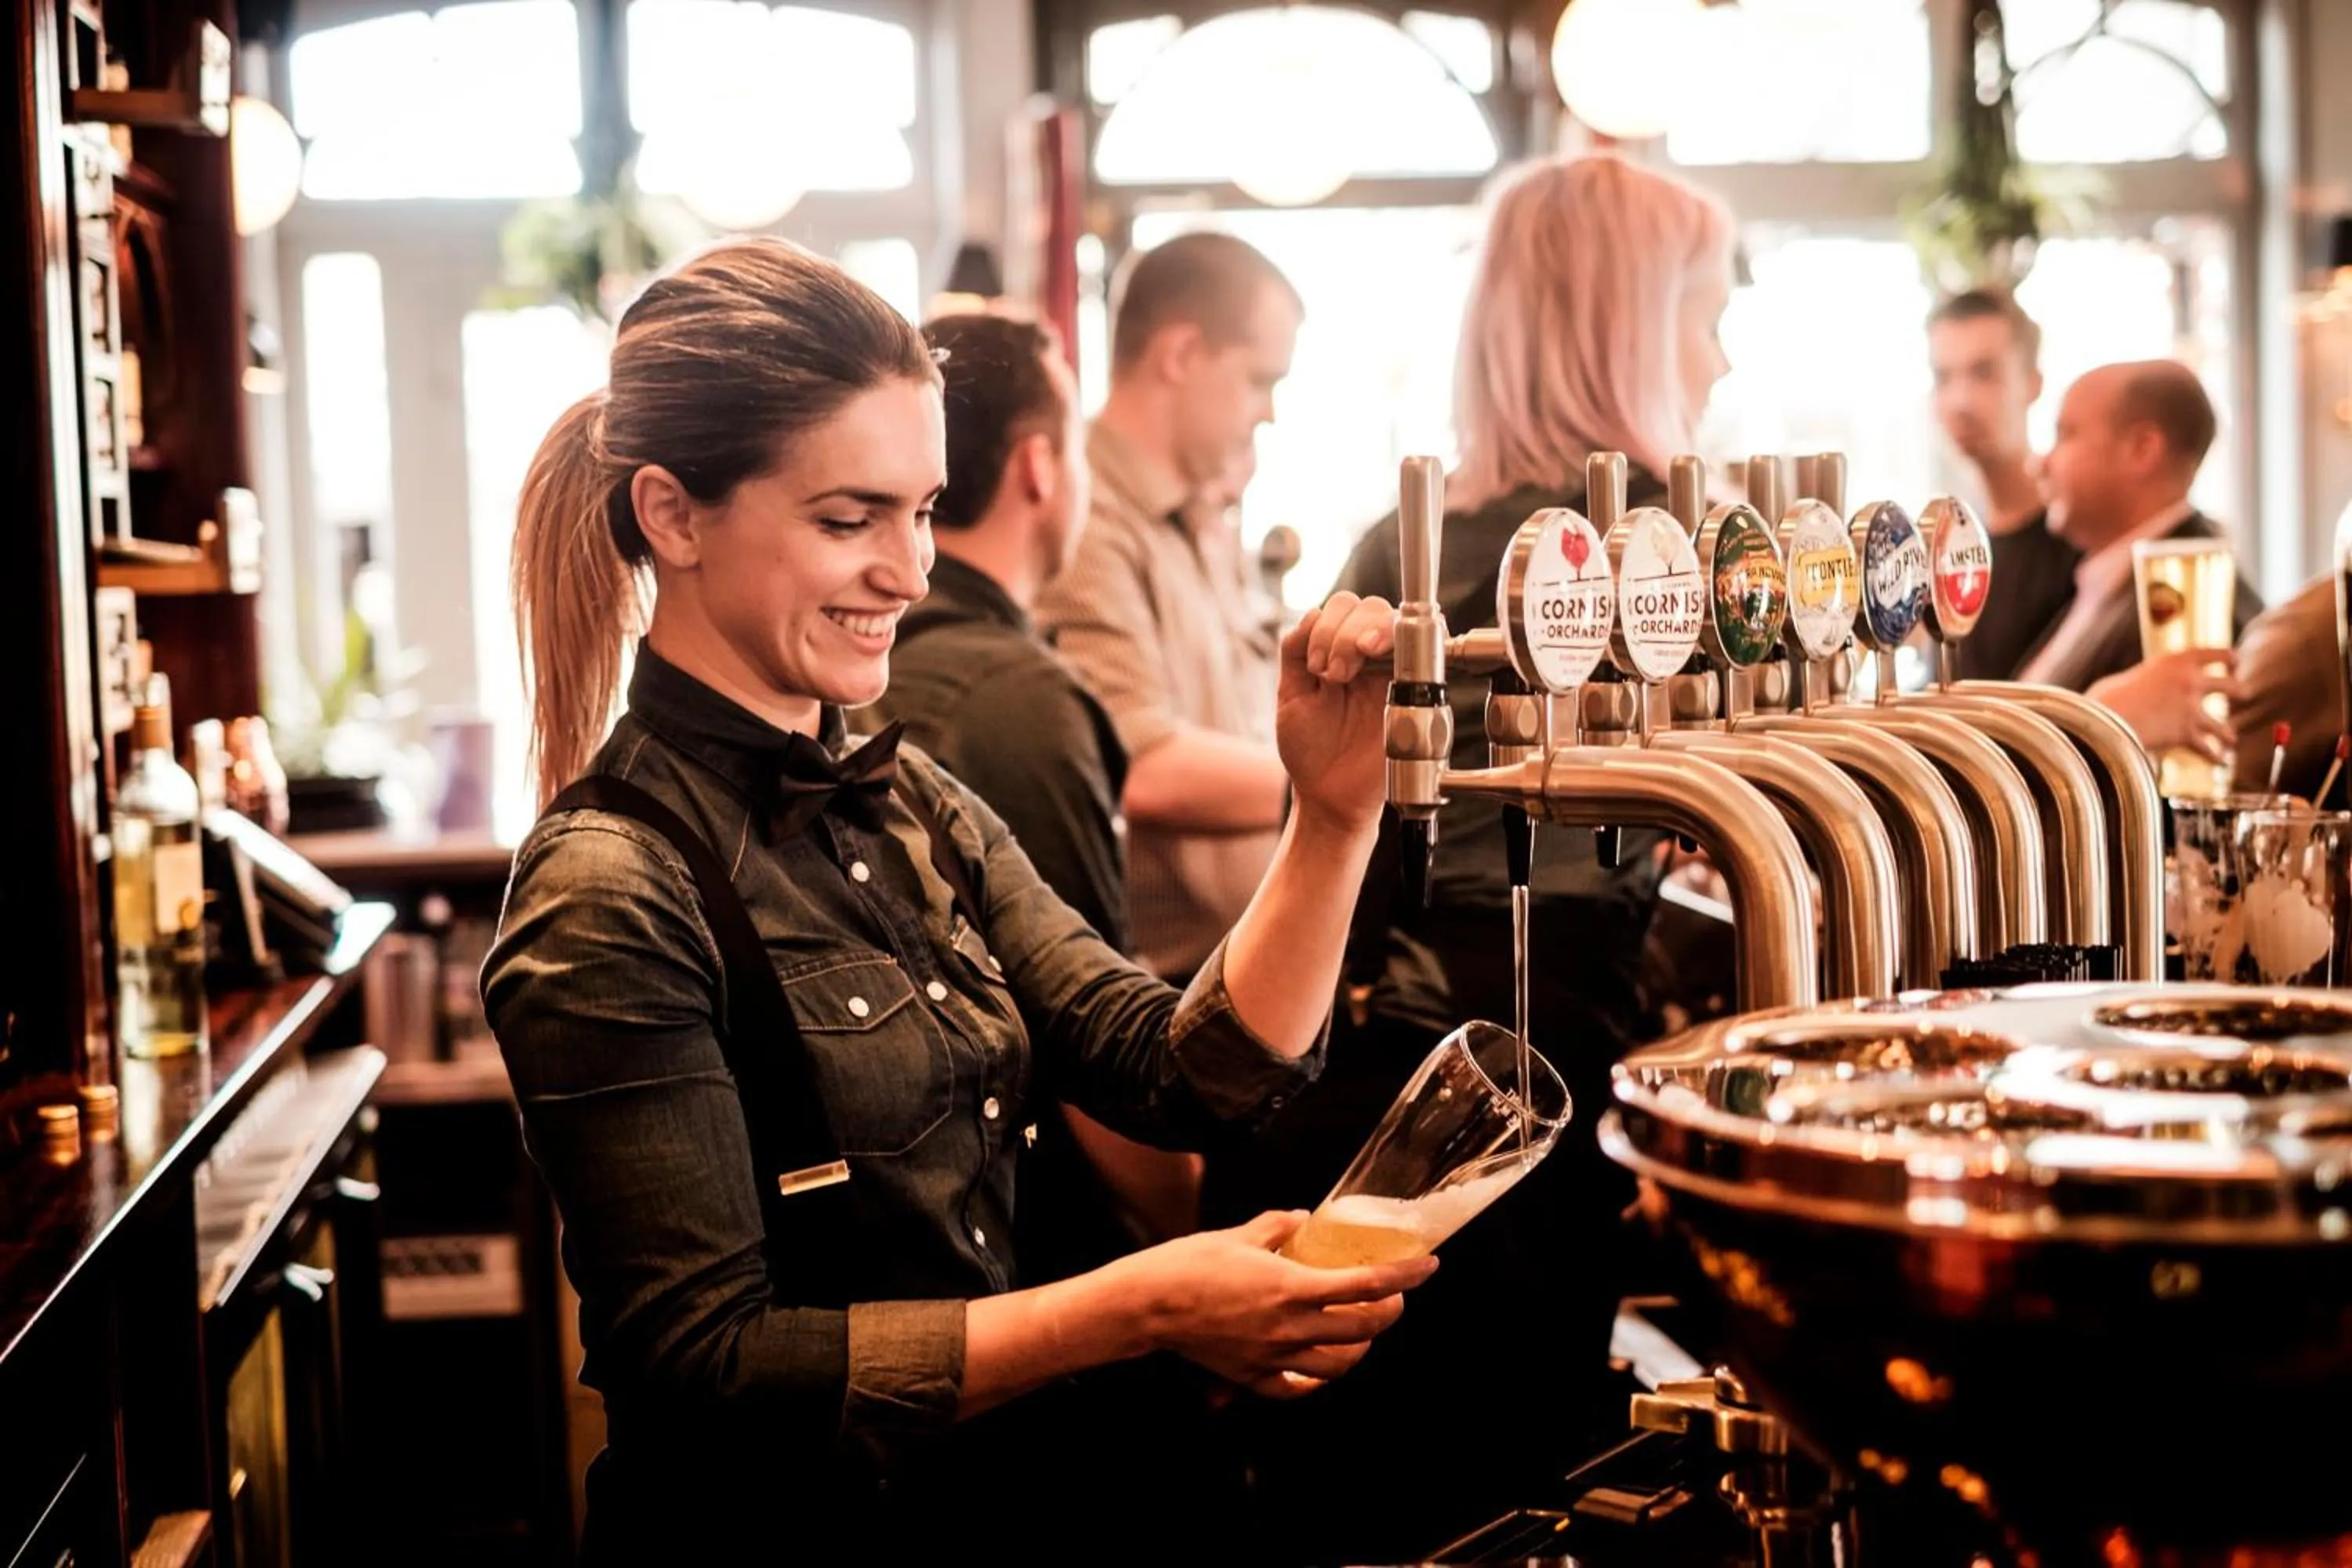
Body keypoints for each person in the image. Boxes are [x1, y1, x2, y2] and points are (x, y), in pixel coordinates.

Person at [478, 238, 1433, 1562]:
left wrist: (1331, 818)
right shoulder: (607, 892)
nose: (912, 570)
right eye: (848, 519)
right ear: (673, 516)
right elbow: (712, 1372)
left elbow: (1181, 1071)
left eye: (922, 510)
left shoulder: (910, 797)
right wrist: (1136, 1310)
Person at [1203, 152, 1736, 1561]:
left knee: (1391, 1498)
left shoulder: (1406, 537)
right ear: (1630, 325)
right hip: (1525, 1087)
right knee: (1514, 1489)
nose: (1722, 358)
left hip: (1368, 1090)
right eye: (1706, 315)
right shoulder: (1650, 557)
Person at [872, 310, 1203, 1268]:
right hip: (1029, 1247)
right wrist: (1205, 1249)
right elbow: (1102, 1071)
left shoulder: (874, 665)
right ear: (1040, 466)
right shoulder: (1019, 701)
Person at [1036, 231, 1298, 983]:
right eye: (1259, 380)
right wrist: (1344, 787)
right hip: (1171, 990)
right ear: (1180, 354)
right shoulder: (1088, 519)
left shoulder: (1196, 516)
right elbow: (1140, 765)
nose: (1269, 412)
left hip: (1250, 966)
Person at [2018, 359, 2262, 692]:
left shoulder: (2194, 613)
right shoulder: (2098, 578)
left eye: (2066, 434)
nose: (2039, 464)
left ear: (2143, 449)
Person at [1926, 289, 2080, 679]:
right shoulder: (1946, 548)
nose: (1960, 401)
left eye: (1984, 373)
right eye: (1943, 378)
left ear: (2032, 384)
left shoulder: (2080, 548)